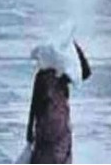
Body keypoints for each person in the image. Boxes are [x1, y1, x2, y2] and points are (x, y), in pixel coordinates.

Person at [26, 22, 91, 164]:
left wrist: (29, 131)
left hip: (45, 129)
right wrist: (73, 47)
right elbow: (85, 72)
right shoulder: (61, 76)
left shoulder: (43, 76)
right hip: (60, 128)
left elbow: (34, 105)